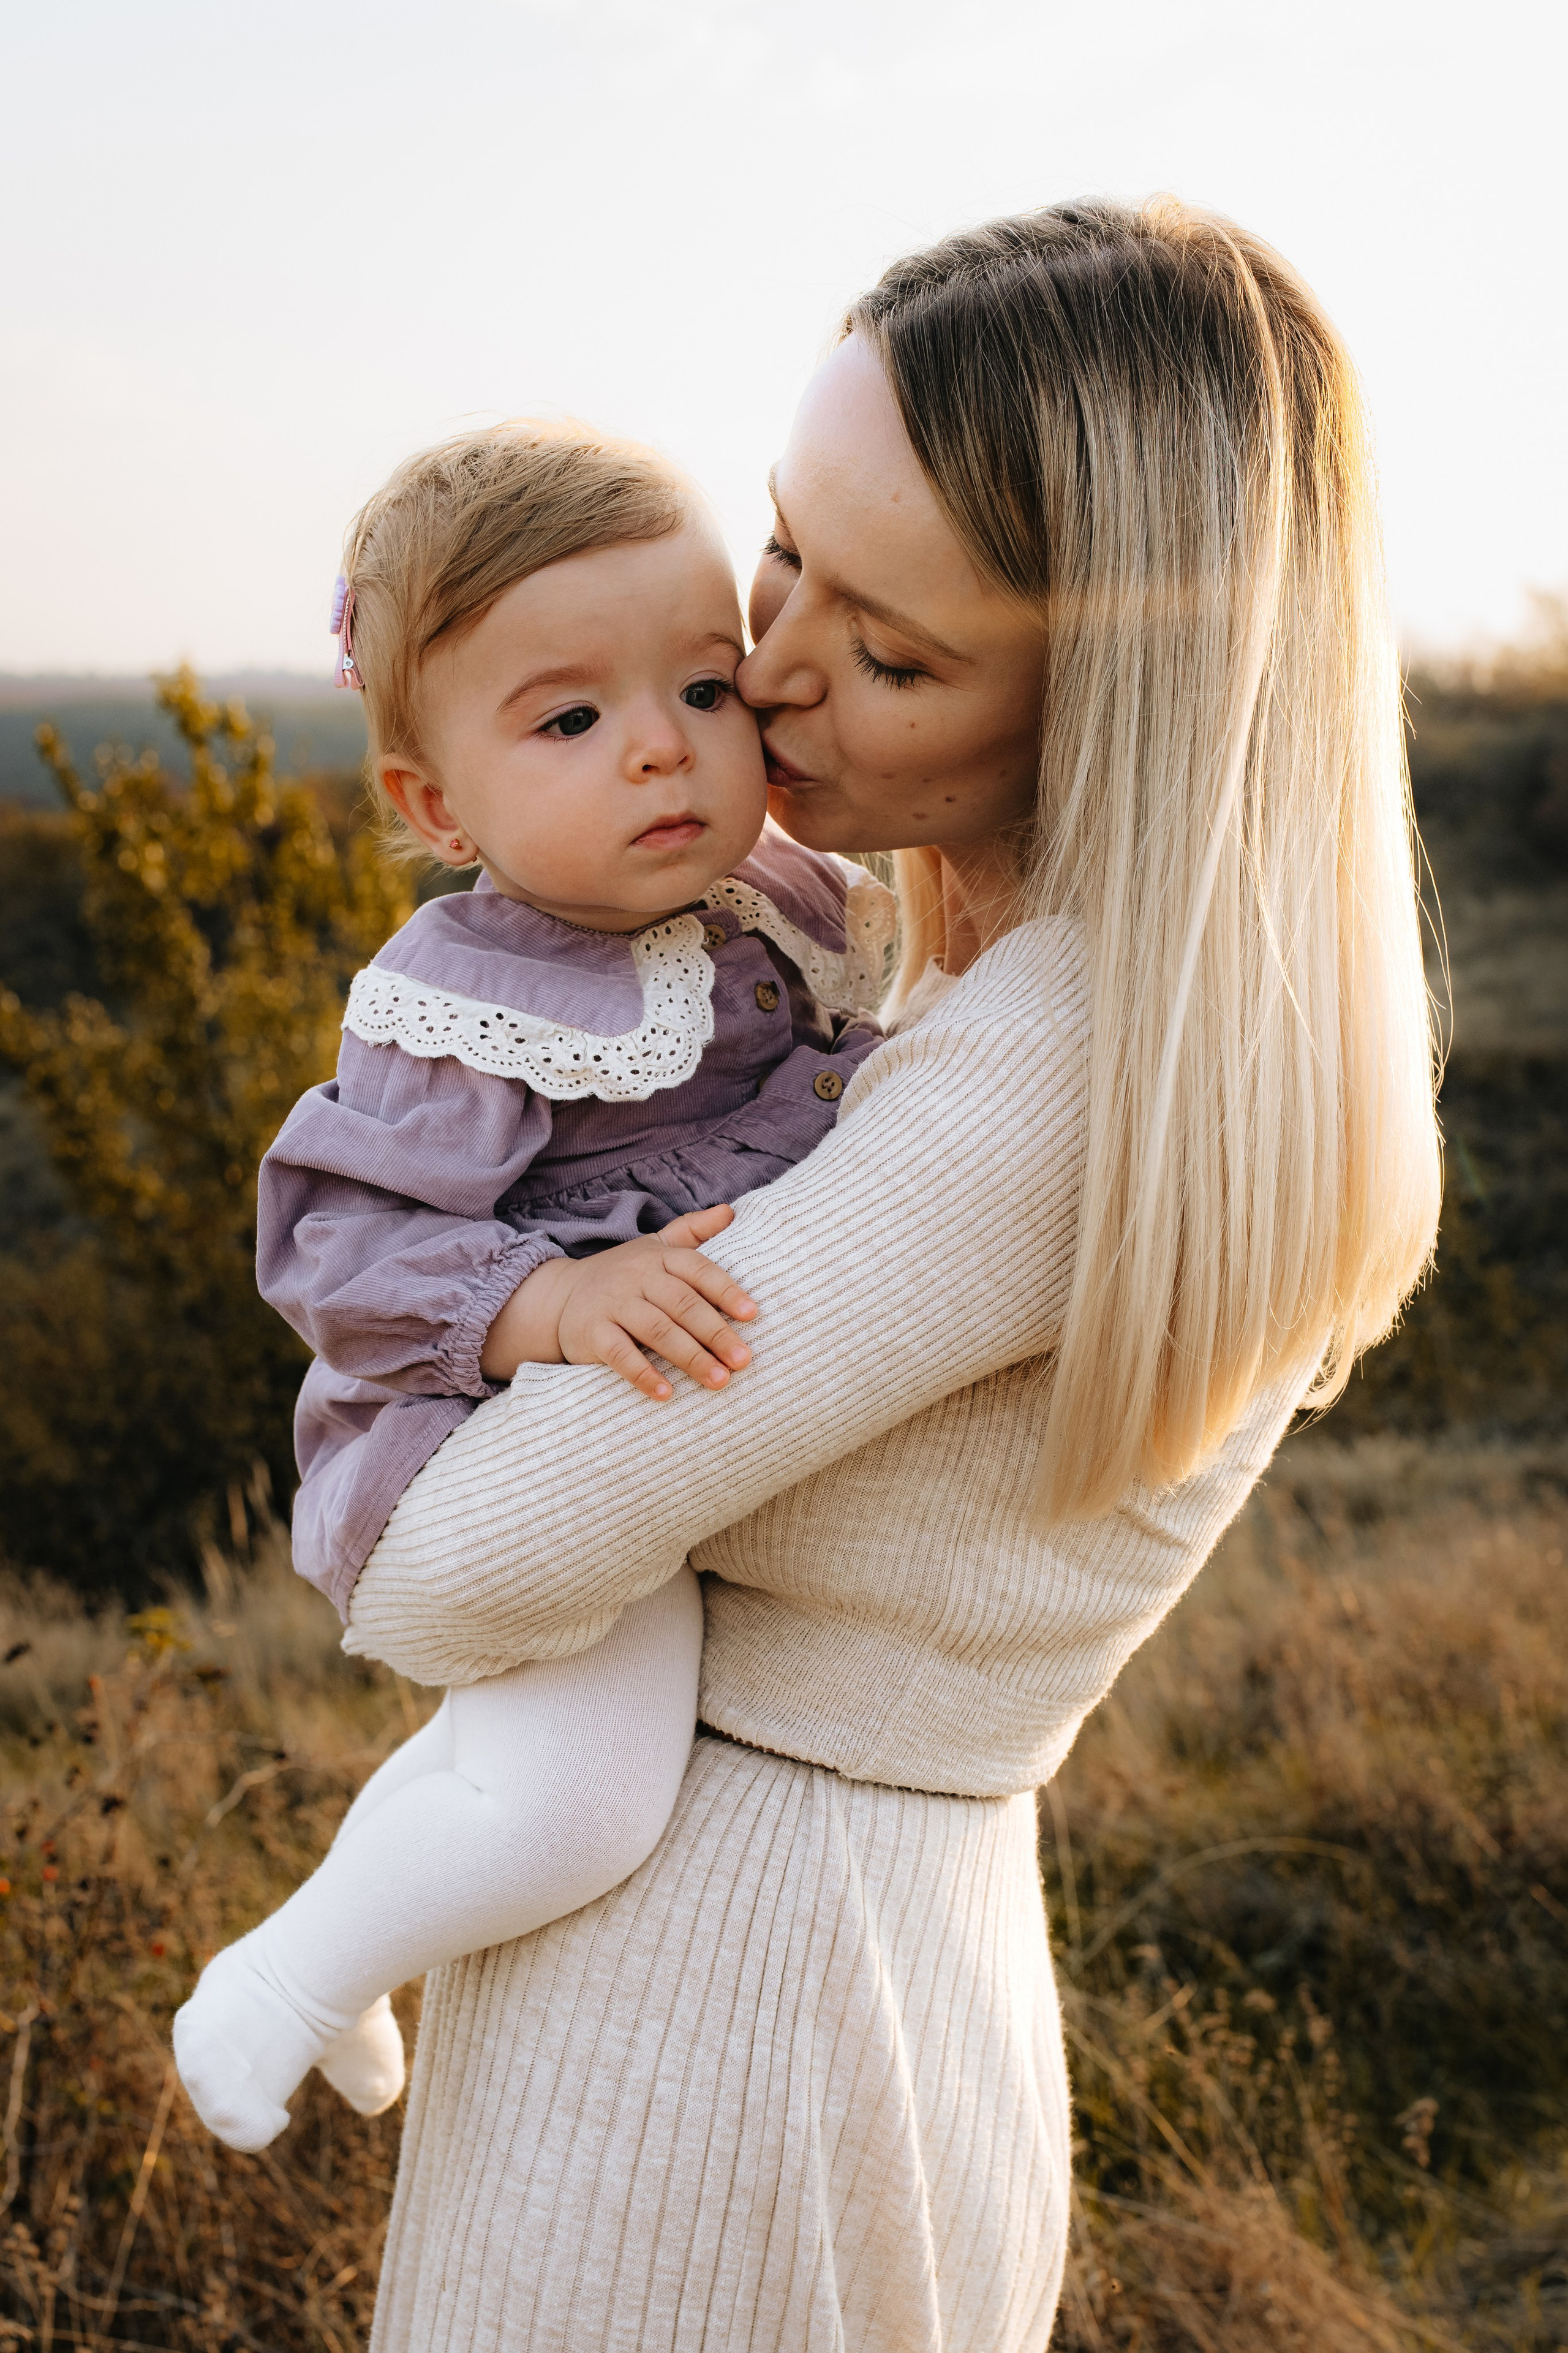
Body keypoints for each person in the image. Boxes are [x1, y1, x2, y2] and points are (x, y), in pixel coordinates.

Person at [344, 201, 1441, 2351]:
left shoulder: (1047, 1065)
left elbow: (451, 1572)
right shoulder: (1023, 995)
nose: (763, 666)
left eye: (898, 654)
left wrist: (470, 1303)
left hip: (724, 2036)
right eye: (784, 547)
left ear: (1116, 701)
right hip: (844, 1972)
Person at [171, 419, 894, 2153]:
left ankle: (340, 1960)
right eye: (570, 721)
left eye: (705, 688)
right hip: (480, 1435)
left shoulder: (774, 896)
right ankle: (284, 1981)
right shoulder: (465, 997)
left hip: (651, 1431)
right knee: (580, 1797)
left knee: (500, 1747)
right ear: (438, 806)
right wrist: (547, 1305)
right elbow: (336, 1248)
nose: (660, 747)